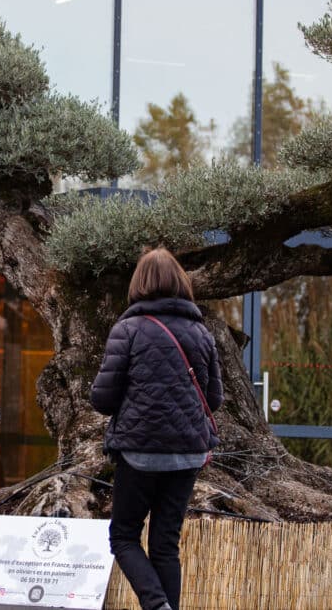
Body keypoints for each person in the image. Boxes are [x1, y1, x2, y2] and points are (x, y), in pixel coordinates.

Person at [90, 248, 223, 610]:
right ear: (181, 282)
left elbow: (102, 398)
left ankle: (155, 604)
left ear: (139, 284)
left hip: (139, 453)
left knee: (123, 536)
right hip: (187, 454)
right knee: (166, 543)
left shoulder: (127, 330)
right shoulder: (202, 333)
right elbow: (214, 399)